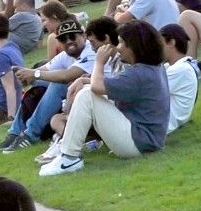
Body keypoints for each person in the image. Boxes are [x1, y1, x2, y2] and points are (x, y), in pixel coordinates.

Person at [38, 19, 172, 177]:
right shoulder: (151, 68)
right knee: (88, 91)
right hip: (147, 139)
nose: (119, 48)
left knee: (87, 94)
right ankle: (67, 154)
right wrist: (83, 80)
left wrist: (99, 62)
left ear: (135, 46)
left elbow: (97, 87)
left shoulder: (139, 73)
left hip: (139, 143)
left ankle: (69, 158)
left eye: (122, 43)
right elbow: (108, 86)